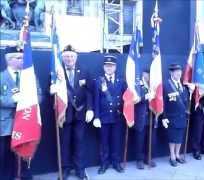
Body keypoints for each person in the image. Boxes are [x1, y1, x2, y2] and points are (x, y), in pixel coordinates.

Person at [51, 45, 94, 180]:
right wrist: (52, 88)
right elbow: (52, 90)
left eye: (72, 56)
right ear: (62, 58)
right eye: (66, 57)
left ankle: (80, 169)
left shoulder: (85, 70)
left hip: (80, 113)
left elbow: (89, 91)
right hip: (64, 114)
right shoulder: (56, 71)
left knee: (79, 142)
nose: (69, 59)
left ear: (76, 58)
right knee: (65, 143)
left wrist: (90, 109)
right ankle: (65, 169)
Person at [0, 45, 42, 180]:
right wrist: (12, 100)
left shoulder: (29, 77)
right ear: (9, 60)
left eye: (23, 57)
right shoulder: (1, 77)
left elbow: (39, 95)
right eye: (18, 58)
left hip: (25, 120)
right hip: (7, 124)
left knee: (24, 154)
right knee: (5, 155)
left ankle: (24, 176)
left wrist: (30, 100)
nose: (22, 60)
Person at [93, 55, 127, 173]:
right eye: (107, 66)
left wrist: (127, 114)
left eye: (111, 66)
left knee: (116, 141)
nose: (109, 68)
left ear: (115, 67)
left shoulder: (121, 81)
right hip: (104, 117)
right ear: (103, 67)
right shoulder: (98, 81)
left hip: (117, 117)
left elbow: (125, 99)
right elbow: (96, 100)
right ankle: (104, 163)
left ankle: (116, 162)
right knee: (104, 142)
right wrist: (96, 117)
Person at [161, 63, 189, 167]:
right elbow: (162, 101)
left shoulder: (182, 85)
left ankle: (178, 154)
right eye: (176, 71)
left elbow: (185, 101)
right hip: (171, 116)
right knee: (172, 137)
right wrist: (163, 117)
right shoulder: (166, 85)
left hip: (182, 116)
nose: (178, 73)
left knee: (180, 137)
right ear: (171, 73)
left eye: (179, 71)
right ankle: (172, 155)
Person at [133, 69, 157, 169]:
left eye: (149, 74)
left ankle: (149, 158)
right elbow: (135, 99)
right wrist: (147, 96)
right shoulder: (137, 84)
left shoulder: (153, 85)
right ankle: (139, 160)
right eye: (146, 74)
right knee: (140, 140)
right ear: (143, 74)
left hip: (151, 116)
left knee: (151, 139)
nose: (148, 76)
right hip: (141, 117)